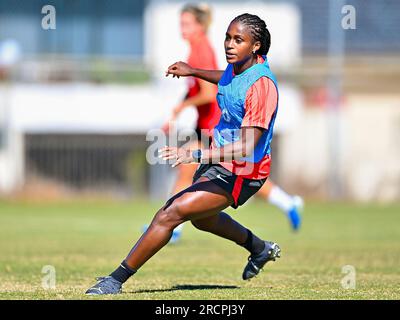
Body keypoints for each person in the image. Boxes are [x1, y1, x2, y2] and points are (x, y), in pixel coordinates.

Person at [86, 13, 282, 295]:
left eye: (238, 39)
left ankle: (115, 279)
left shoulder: (261, 85)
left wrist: (196, 155)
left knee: (171, 212)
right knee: (202, 219)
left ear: (256, 46)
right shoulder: (238, 69)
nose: (229, 44)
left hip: (244, 171)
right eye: (228, 37)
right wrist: (193, 71)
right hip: (223, 161)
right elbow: (226, 80)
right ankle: (259, 248)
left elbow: (246, 147)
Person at [156, 4, 302, 245]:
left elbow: (208, 93)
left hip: (214, 122)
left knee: (201, 169)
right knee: (199, 175)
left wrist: (180, 106)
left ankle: (173, 223)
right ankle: (286, 204)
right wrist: (190, 76)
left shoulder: (201, 49)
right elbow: (225, 77)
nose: (182, 28)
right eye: (180, 23)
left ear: (200, 25)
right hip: (206, 122)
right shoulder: (197, 51)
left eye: (187, 23)